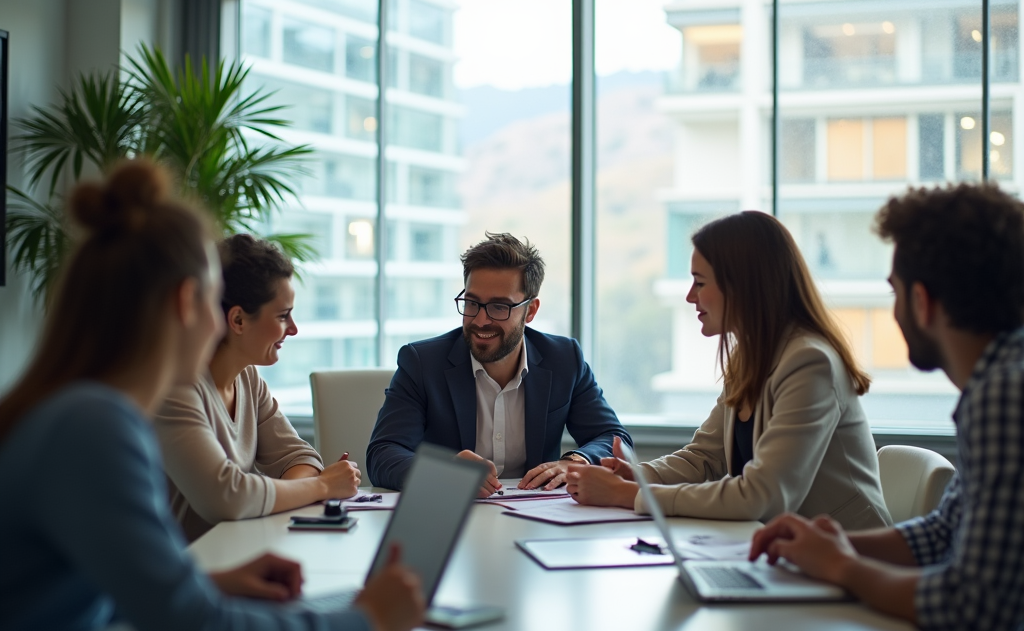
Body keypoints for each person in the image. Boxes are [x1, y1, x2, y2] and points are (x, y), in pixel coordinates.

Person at [0, 160, 423, 631]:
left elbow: (84, 591)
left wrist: (207, 581)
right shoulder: (96, 425)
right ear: (188, 303)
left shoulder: (78, 410)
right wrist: (366, 621)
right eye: (211, 298)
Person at [751, 185, 1024, 631]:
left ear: (921, 302)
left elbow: (975, 616)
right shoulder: (1001, 379)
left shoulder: (1003, 397)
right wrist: (839, 545)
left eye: (895, 291)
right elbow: (945, 531)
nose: (895, 310)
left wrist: (842, 568)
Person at [566, 211, 891, 530]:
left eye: (700, 283)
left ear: (743, 287)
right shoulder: (752, 355)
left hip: (848, 560)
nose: (690, 296)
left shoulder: (809, 362)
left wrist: (634, 495)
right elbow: (705, 456)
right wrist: (638, 475)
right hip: (785, 551)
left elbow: (763, 495)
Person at [366, 232, 633, 495]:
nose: (481, 321)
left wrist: (574, 463)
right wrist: (444, 471)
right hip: (450, 516)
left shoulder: (564, 359)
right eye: (472, 303)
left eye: (499, 307)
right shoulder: (422, 363)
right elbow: (383, 454)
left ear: (530, 310)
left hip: (538, 518)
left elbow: (613, 438)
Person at [154, 234, 359, 542]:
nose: (293, 328)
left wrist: (274, 492)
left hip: (236, 554)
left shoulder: (247, 379)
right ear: (237, 319)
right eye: (282, 315)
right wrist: (323, 486)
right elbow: (226, 497)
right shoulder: (175, 389)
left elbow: (300, 457)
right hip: (185, 571)